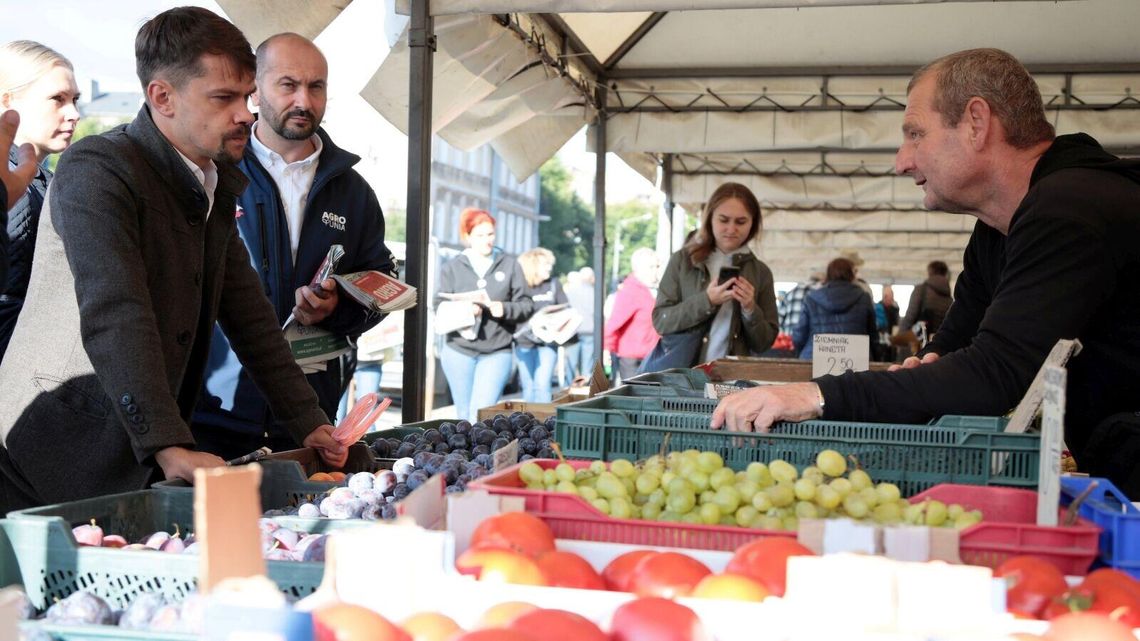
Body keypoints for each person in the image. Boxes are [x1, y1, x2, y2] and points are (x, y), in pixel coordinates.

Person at [711, 48, 1140, 497]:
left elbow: (991, 374)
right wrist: (925, 371)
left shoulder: (1070, 209)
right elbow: (953, 350)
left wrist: (816, 395)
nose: (902, 161)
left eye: (916, 134)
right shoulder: (997, 230)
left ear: (976, 122)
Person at [0, 7, 346, 512]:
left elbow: (249, 316)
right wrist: (168, 443)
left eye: (247, 96)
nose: (245, 114)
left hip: (137, 449)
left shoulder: (216, 178)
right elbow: (115, 307)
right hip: (54, 449)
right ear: (162, 97)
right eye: (224, 98)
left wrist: (309, 420)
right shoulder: (97, 167)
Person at [191, 33, 394, 460]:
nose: (304, 99)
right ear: (255, 91)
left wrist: (338, 307)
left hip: (309, 418)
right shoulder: (213, 170)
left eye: (316, 86)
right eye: (288, 84)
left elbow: (382, 287)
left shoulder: (353, 192)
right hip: (211, 411)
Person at [0, 41, 81, 361]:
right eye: (57, 100)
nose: (74, 113)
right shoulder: (15, 189)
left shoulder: (41, 182)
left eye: (75, 100)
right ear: (8, 102)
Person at [652, 182, 779, 364]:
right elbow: (661, 321)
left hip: (732, 379)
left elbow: (764, 343)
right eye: (723, 220)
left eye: (741, 222)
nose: (731, 229)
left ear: (753, 223)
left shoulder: (761, 273)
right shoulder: (682, 261)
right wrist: (707, 301)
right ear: (709, 218)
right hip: (682, 378)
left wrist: (751, 309)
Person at [437, 208, 532, 421]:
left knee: (481, 413)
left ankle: (482, 454)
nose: (487, 240)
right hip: (458, 350)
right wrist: (465, 310)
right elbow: (439, 303)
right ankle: (465, 454)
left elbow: (526, 305)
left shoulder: (509, 265)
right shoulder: (452, 267)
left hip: (496, 350)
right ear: (467, 236)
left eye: (490, 234)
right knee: (463, 416)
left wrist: (505, 308)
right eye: (480, 235)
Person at [791, 257, 876, 360]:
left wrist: (800, 352)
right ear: (851, 274)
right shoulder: (863, 297)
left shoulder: (811, 298)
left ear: (828, 274)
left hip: (814, 360)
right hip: (855, 360)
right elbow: (873, 336)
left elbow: (799, 335)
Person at [515, 248, 564, 402]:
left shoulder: (554, 283)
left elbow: (565, 307)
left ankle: (542, 423)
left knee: (542, 384)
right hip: (524, 341)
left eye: (550, 264)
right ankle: (527, 421)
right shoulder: (521, 286)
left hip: (548, 342)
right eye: (545, 264)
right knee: (528, 385)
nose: (549, 267)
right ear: (533, 266)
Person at [604, 247, 661, 381]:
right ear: (638, 269)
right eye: (651, 267)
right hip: (633, 358)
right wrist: (606, 349)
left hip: (650, 355)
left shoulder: (650, 290)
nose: (656, 271)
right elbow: (614, 324)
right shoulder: (631, 291)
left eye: (657, 266)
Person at [899, 260, 953, 335]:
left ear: (930, 272)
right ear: (945, 273)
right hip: (940, 341)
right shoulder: (949, 297)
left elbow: (910, 317)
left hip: (921, 341)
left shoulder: (921, 290)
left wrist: (900, 336)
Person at [563, 266, 595, 380]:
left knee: (571, 363)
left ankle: (569, 389)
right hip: (589, 331)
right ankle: (586, 389)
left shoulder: (570, 291)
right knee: (587, 366)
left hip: (572, 331)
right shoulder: (594, 292)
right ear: (591, 278)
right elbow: (595, 311)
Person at [779, 270, 822, 335]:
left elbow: (779, 318)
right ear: (822, 281)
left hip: (789, 337)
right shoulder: (820, 295)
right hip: (810, 339)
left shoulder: (791, 293)